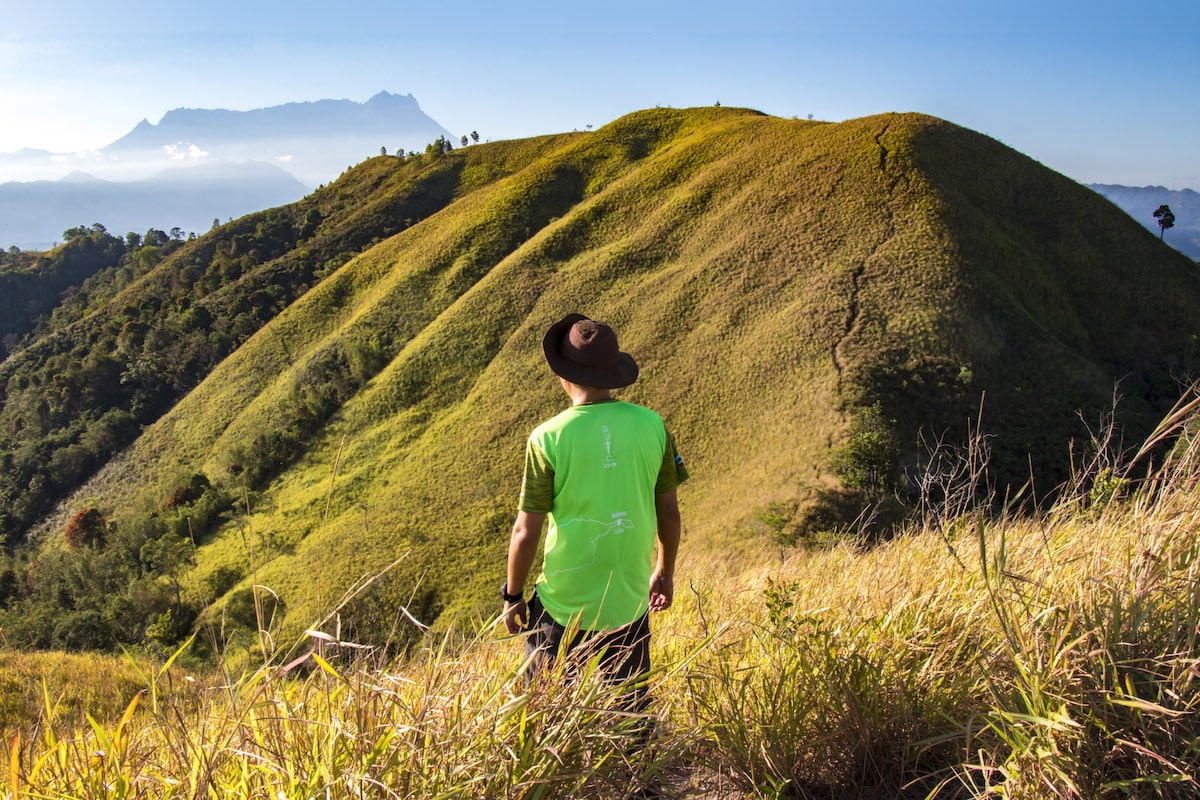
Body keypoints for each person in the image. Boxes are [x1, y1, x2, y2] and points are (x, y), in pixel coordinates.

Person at [502, 313, 688, 705]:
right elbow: (669, 513)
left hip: (561, 606)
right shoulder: (653, 426)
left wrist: (513, 596)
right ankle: (633, 767)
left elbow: (525, 531)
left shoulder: (547, 438)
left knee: (543, 714)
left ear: (562, 374)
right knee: (629, 715)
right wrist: (664, 571)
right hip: (628, 602)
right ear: (614, 372)